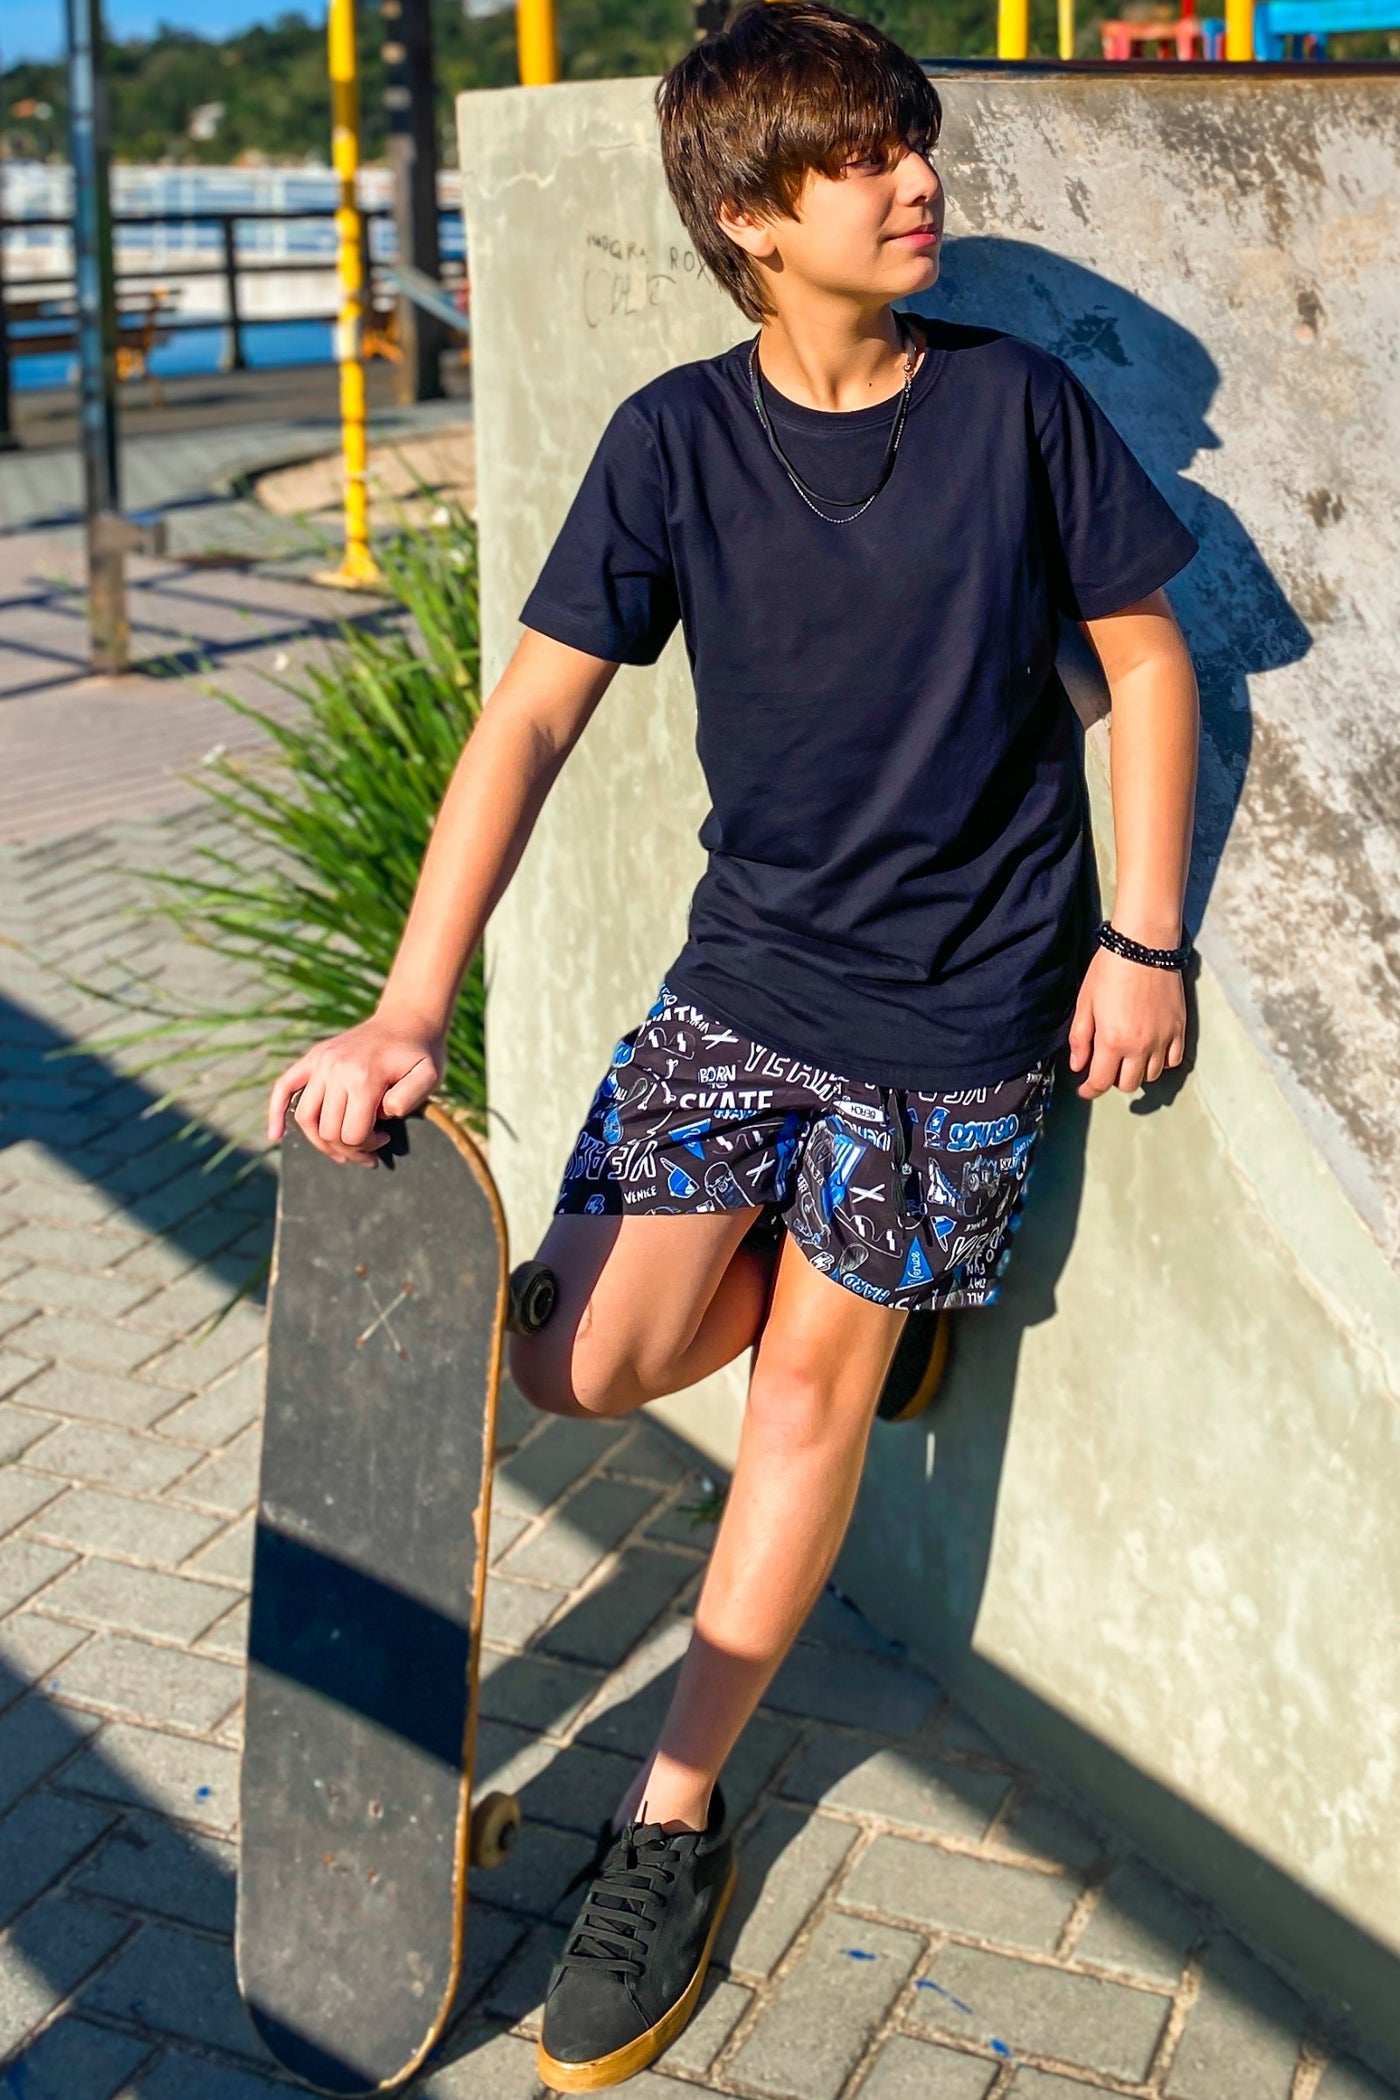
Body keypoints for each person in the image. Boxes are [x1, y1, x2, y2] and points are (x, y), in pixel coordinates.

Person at [264, 2, 1201, 2086]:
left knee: (803, 1408)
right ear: (748, 218)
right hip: (744, 988)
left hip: (957, 1019)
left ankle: (670, 1818)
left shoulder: (1016, 407)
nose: (914, 178)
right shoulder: (673, 441)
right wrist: (411, 1005)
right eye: (859, 155)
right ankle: (870, 1291)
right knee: (573, 1364)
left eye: (910, 140)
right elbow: (528, 718)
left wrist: (1142, 941)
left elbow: (1143, 663)